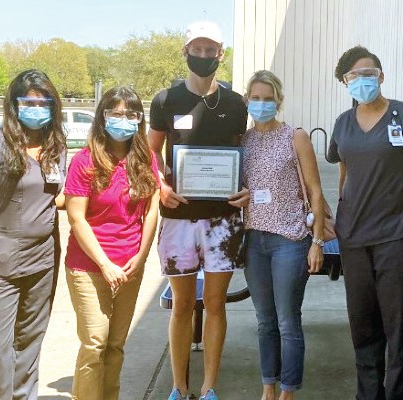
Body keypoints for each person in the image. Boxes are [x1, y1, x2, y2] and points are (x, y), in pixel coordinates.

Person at [147, 21, 248, 400]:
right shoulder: (165, 101)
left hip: (223, 221)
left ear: (220, 54)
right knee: (183, 304)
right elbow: (151, 152)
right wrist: (161, 185)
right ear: (186, 51)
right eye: (197, 49)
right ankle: (179, 386)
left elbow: (243, 155)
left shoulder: (236, 104)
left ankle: (208, 387)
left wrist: (245, 189)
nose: (203, 56)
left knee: (217, 303)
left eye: (211, 50)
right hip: (177, 219)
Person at [327, 46, 403, 400]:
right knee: (364, 329)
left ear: (382, 75)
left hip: (398, 238)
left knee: (400, 331)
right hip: (355, 240)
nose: (362, 80)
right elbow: (344, 175)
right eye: (353, 76)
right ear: (345, 82)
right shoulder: (342, 124)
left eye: (368, 73)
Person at [65, 86, 160, 400]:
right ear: (102, 116)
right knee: (95, 343)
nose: (124, 120)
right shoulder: (85, 162)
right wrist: (105, 264)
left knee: (116, 345)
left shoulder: (146, 158)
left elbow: (151, 212)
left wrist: (142, 256)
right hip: (89, 267)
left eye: (132, 114)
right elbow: (77, 218)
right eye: (116, 113)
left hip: (130, 266)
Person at [242, 70, 325, 400]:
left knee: (288, 321)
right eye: (256, 98)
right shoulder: (242, 140)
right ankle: (268, 386)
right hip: (253, 241)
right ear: (248, 100)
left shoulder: (295, 136)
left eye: (268, 98)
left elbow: (316, 192)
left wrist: (317, 241)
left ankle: (288, 392)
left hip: (290, 240)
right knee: (265, 321)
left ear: (279, 101)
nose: (262, 104)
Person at [0, 69, 66, 400]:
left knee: (30, 341)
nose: (36, 109)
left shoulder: (55, 145)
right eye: (28, 102)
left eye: (43, 102)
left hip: (43, 259)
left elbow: (56, 196)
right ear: (14, 104)